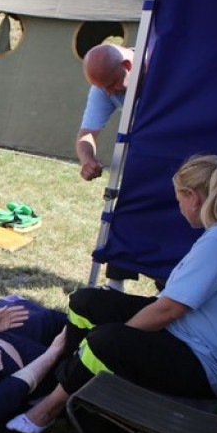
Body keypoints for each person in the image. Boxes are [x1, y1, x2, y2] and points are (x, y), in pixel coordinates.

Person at [8, 155, 217, 433]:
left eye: (178, 199)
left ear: (193, 197)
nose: (179, 207)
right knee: (87, 302)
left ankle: (50, 408)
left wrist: (121, 341)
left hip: (206, 364)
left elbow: (168, 311)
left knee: (106, 341)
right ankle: (64, 379)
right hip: (187, 333)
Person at [75, 43, 138, 290]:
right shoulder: (104, 87)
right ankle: (115, 284)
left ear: (128, 66)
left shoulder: (162, 68)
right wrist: (87, 159)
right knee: (126, 204)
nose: (110, 93)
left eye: (113, 84)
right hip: (140, 153)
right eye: (103, 88)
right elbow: (86, 133)